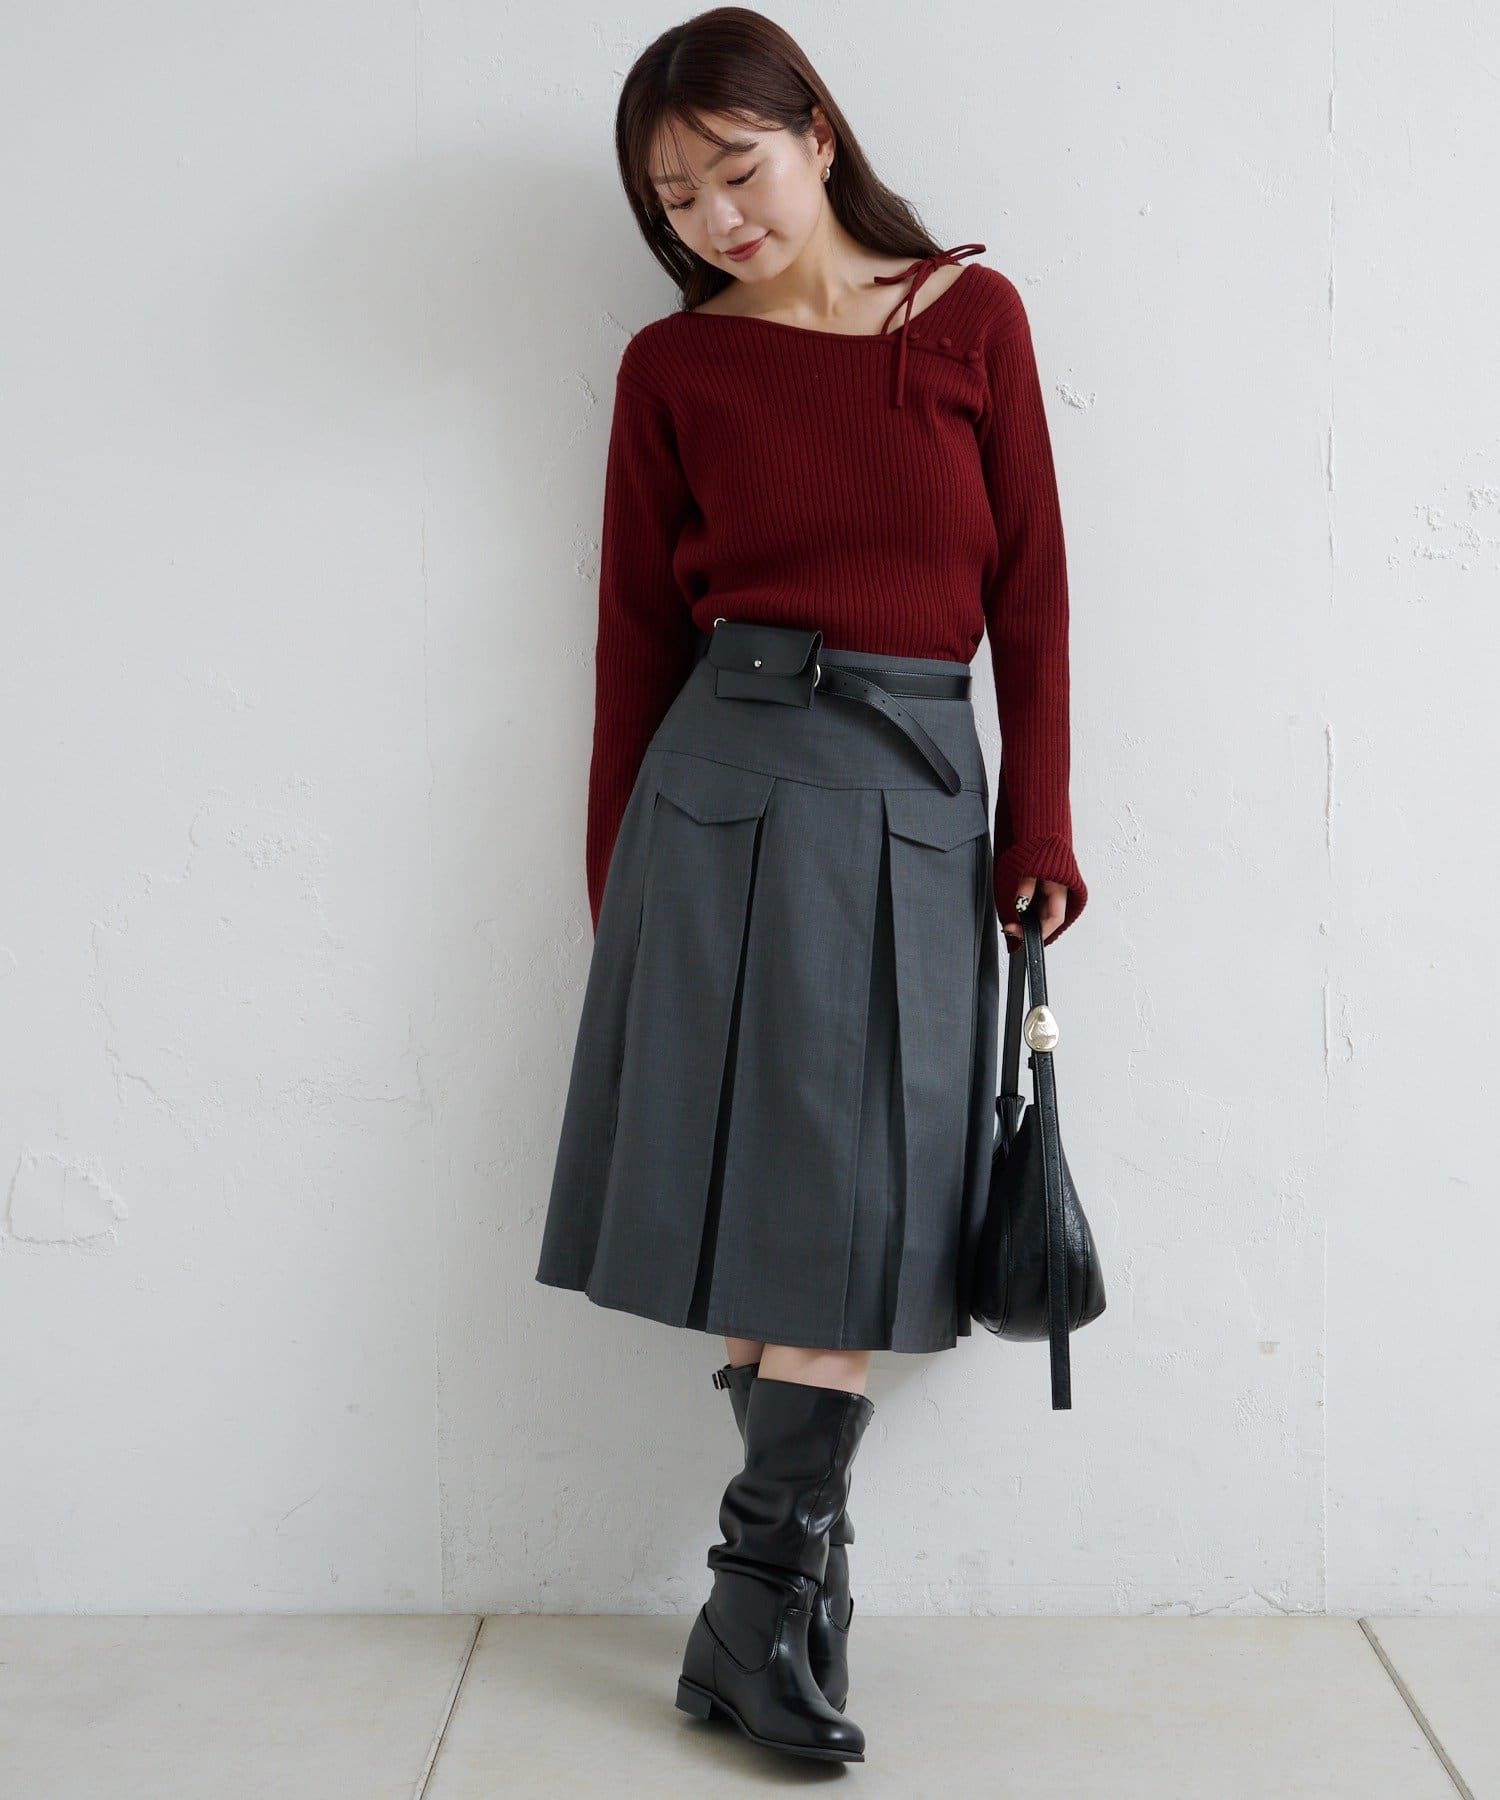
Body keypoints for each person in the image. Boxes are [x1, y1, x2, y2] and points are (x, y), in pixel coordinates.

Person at [534, 5, 1087, 1767]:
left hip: (913, 804)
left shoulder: (972, 318)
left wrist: (1043, 830)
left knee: (856, 1208)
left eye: (736, 169)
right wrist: (619, 886)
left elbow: (1034, 600)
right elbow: (632, 641)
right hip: (717, 797)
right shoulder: (673, 368)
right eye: (675, 198)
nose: (716, 217)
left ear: (819, 137)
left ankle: (756, 1608)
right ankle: (773, 1604)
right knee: (776, 1202)